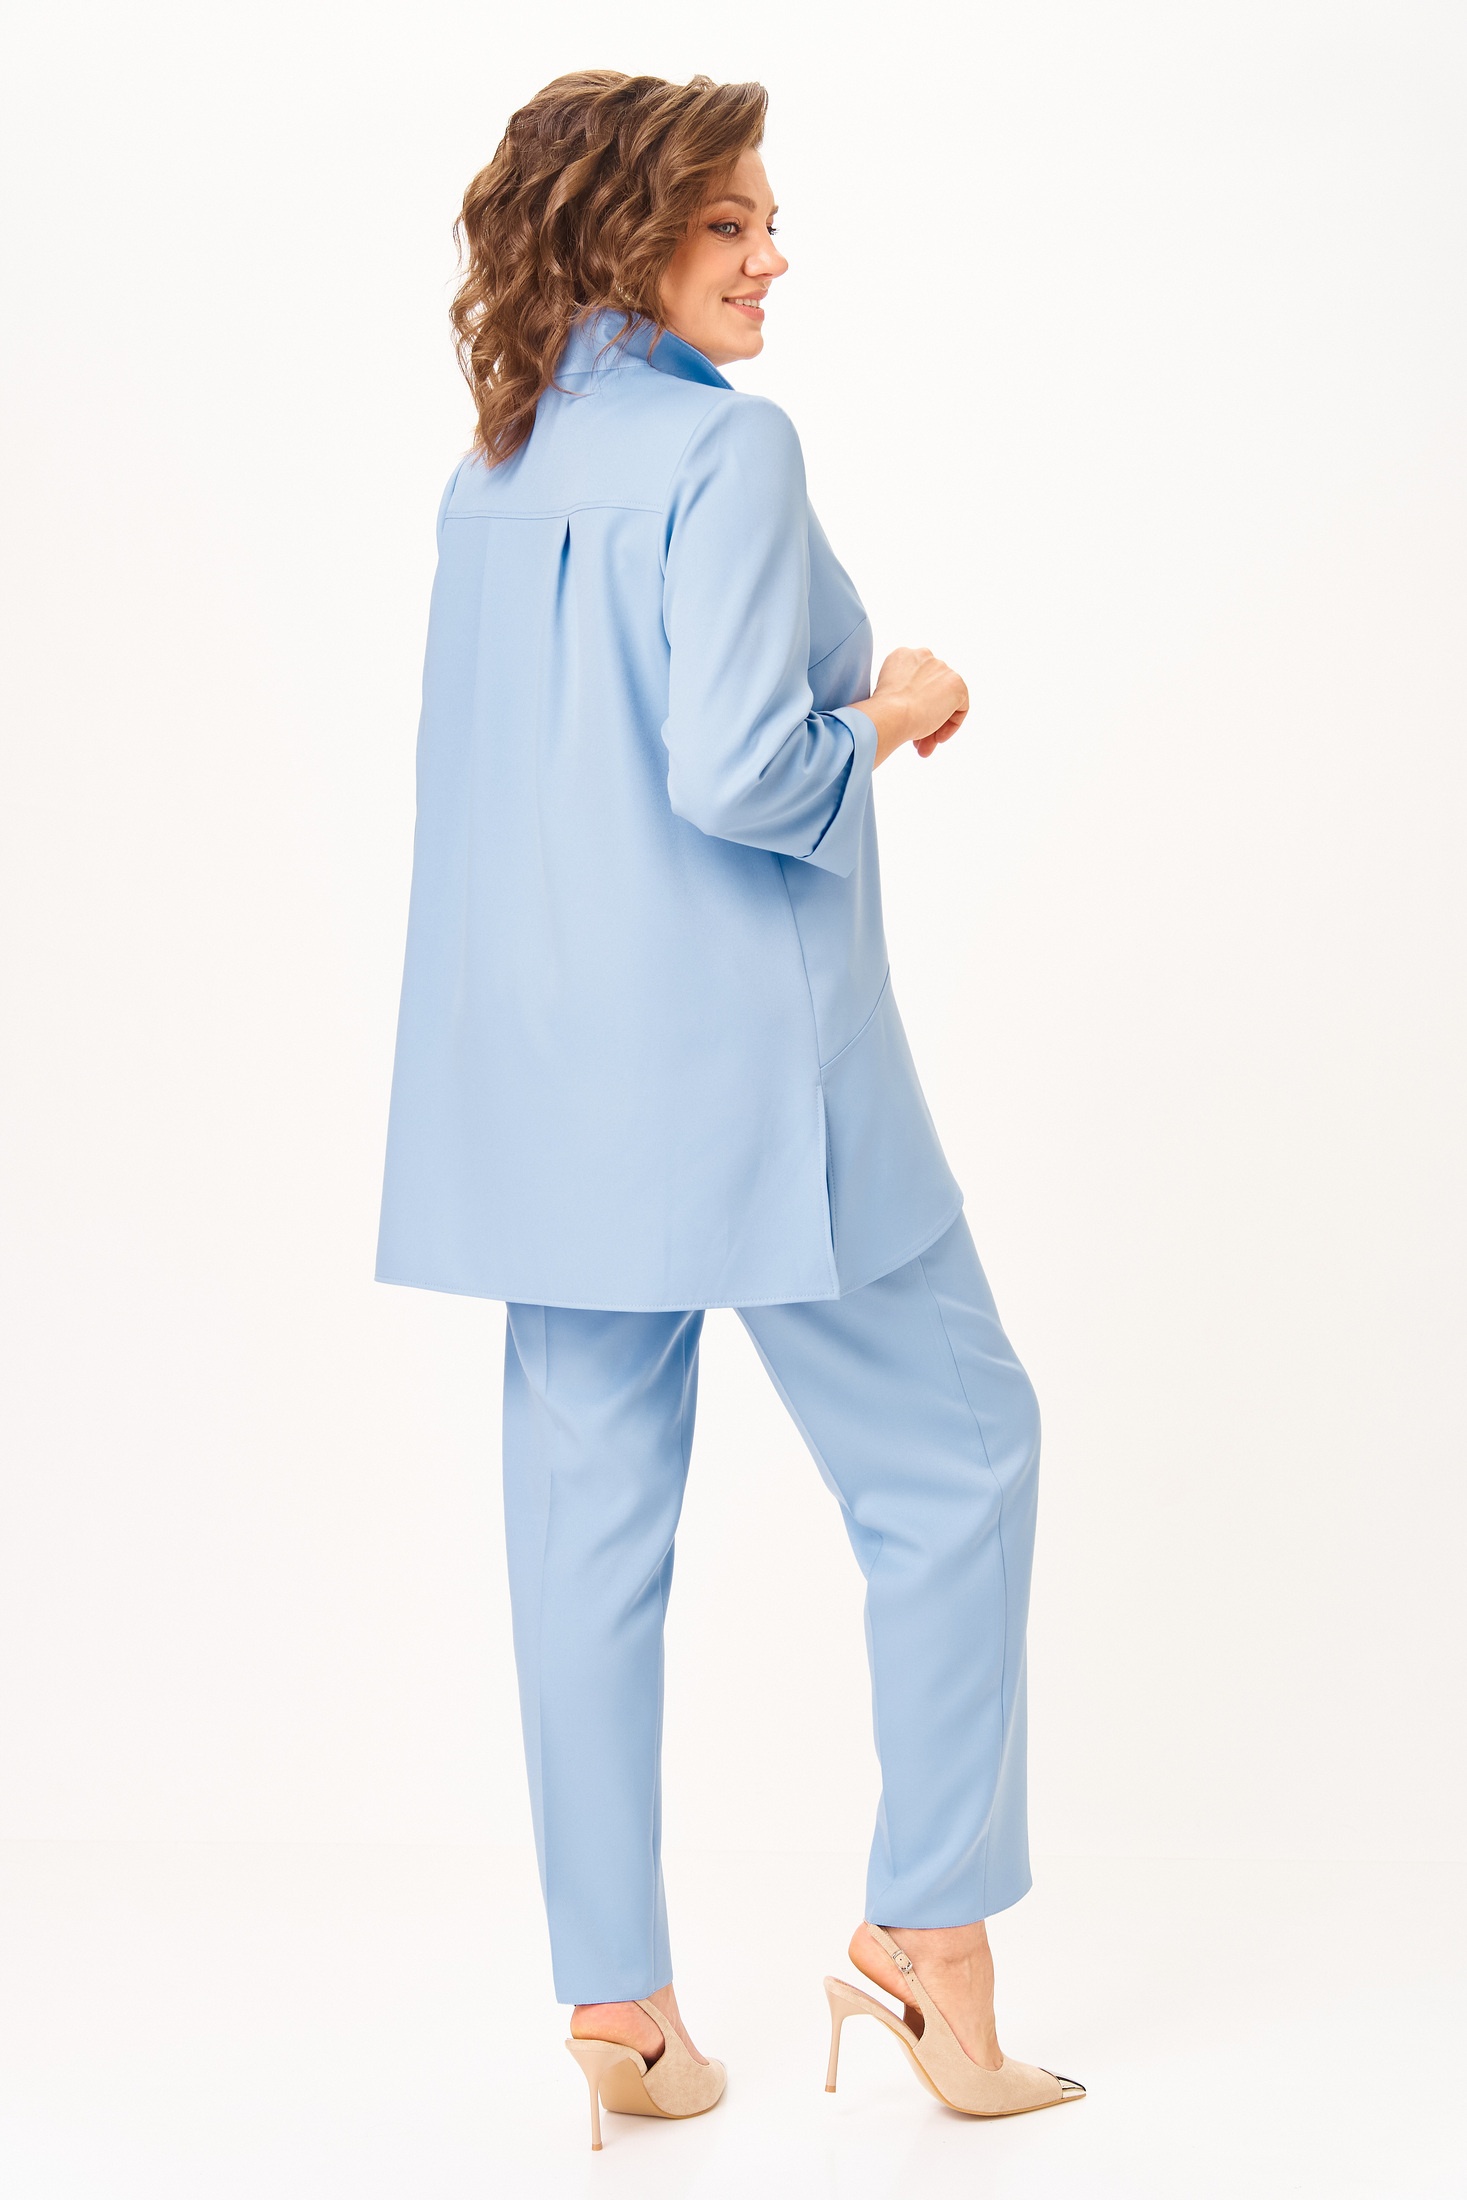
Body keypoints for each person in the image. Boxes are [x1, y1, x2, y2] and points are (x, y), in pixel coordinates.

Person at [376, 69, 1083, 2148]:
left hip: (536, 1088)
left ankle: (618, 1999)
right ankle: (931, 1940)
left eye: (765, 218)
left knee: (584, 1536)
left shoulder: (498, 464)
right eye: (729, 223)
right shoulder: (728, 449)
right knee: (961, 1452)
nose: (773, 255)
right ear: (621, 237)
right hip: (755, 1072)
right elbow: (734, 772)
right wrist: (888, 711)